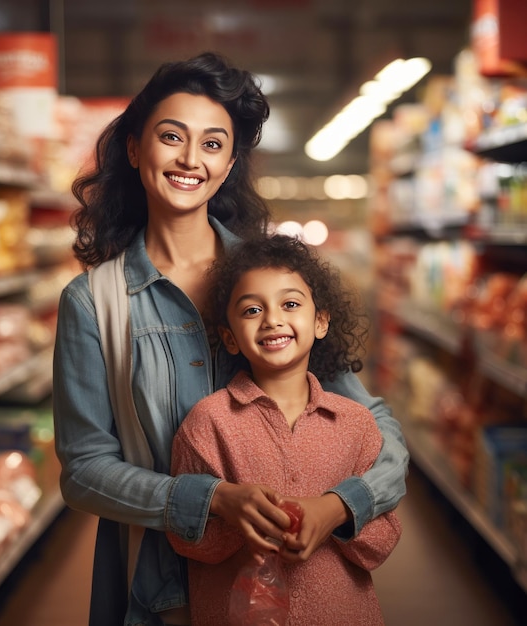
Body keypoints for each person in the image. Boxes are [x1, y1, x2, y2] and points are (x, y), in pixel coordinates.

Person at [52, 51, 409, 626]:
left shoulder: (276, 286)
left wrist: (340, 505)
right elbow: (85, 471)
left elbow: (374, 426)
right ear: (134, 148)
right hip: (162, 588)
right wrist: (212, 499)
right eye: (172, 137)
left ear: (229, 163)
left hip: (303, 585)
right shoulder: (96, 302)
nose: (191, 159)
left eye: (213, 144)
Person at [167, 234, 402, 625]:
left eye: (290, 304)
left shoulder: (355, 423)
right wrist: (242, 522)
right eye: (251, 310)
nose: (273, 319)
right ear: (229, 337)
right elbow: (186, 536)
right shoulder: (208, 423)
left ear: (321, 320)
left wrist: (335, 516)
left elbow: (382, 540)